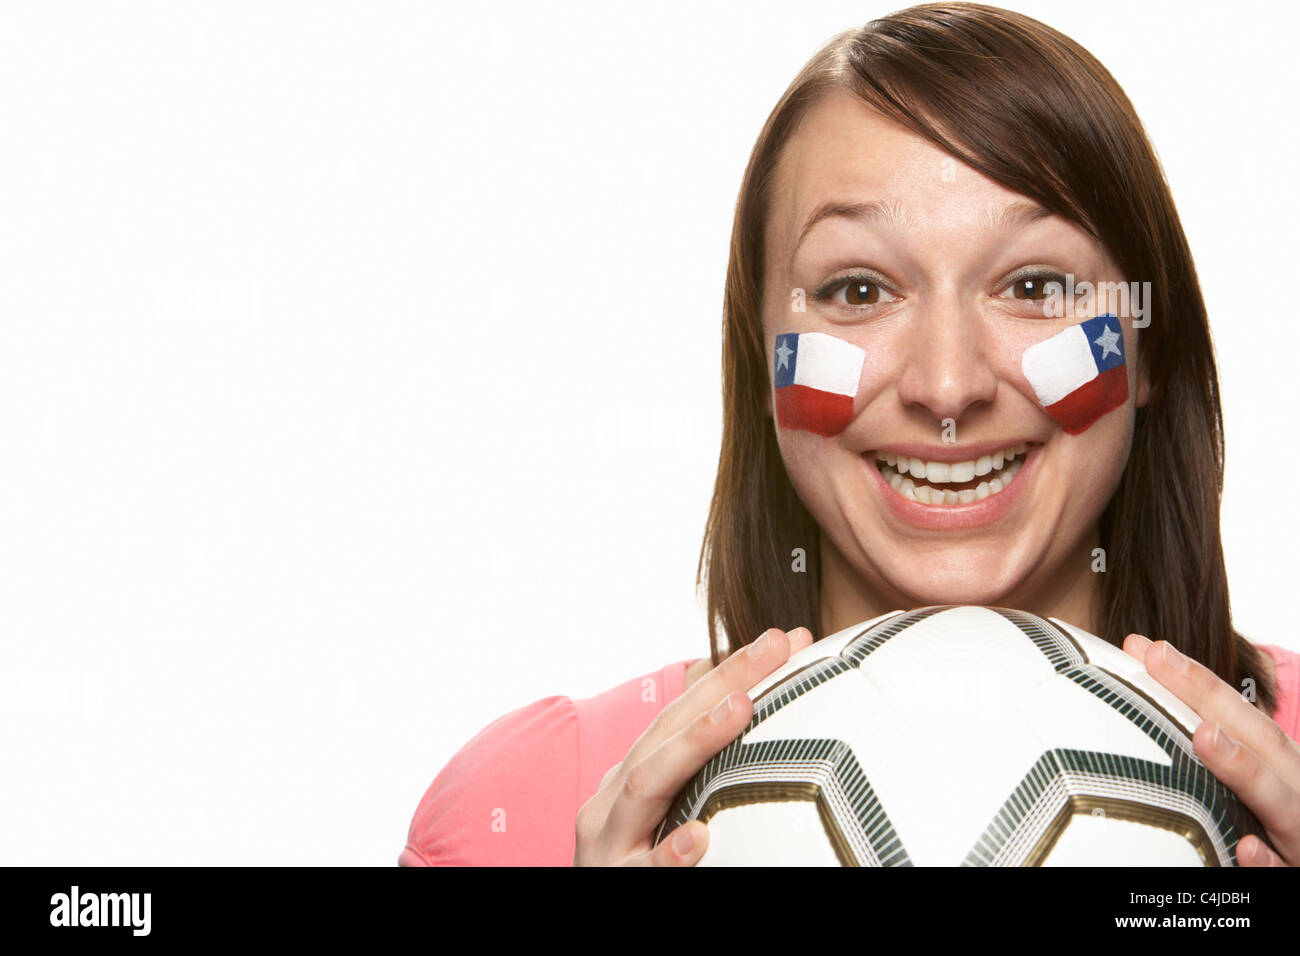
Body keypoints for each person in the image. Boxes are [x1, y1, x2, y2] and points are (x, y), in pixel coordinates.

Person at [398, 2, 1300, 867]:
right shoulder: (535, 808)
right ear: (761, 355)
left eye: (1033, 287)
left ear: (1148, 349)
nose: (947, 386)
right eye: (858, 292)